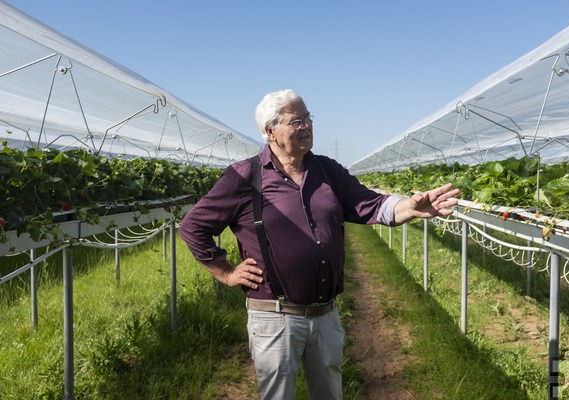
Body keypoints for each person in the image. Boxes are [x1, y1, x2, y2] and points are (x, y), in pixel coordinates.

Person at [179, 89, 460, 399]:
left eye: (308, 118)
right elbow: (194, 227)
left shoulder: (327, 171)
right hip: (275, 315)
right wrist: (225, 272)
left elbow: (371, 204)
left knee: (329, 393)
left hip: (325, 314)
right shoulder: (245, 177)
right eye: (296, 120)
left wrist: (410, 207)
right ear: (270, 131)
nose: (306, 126)